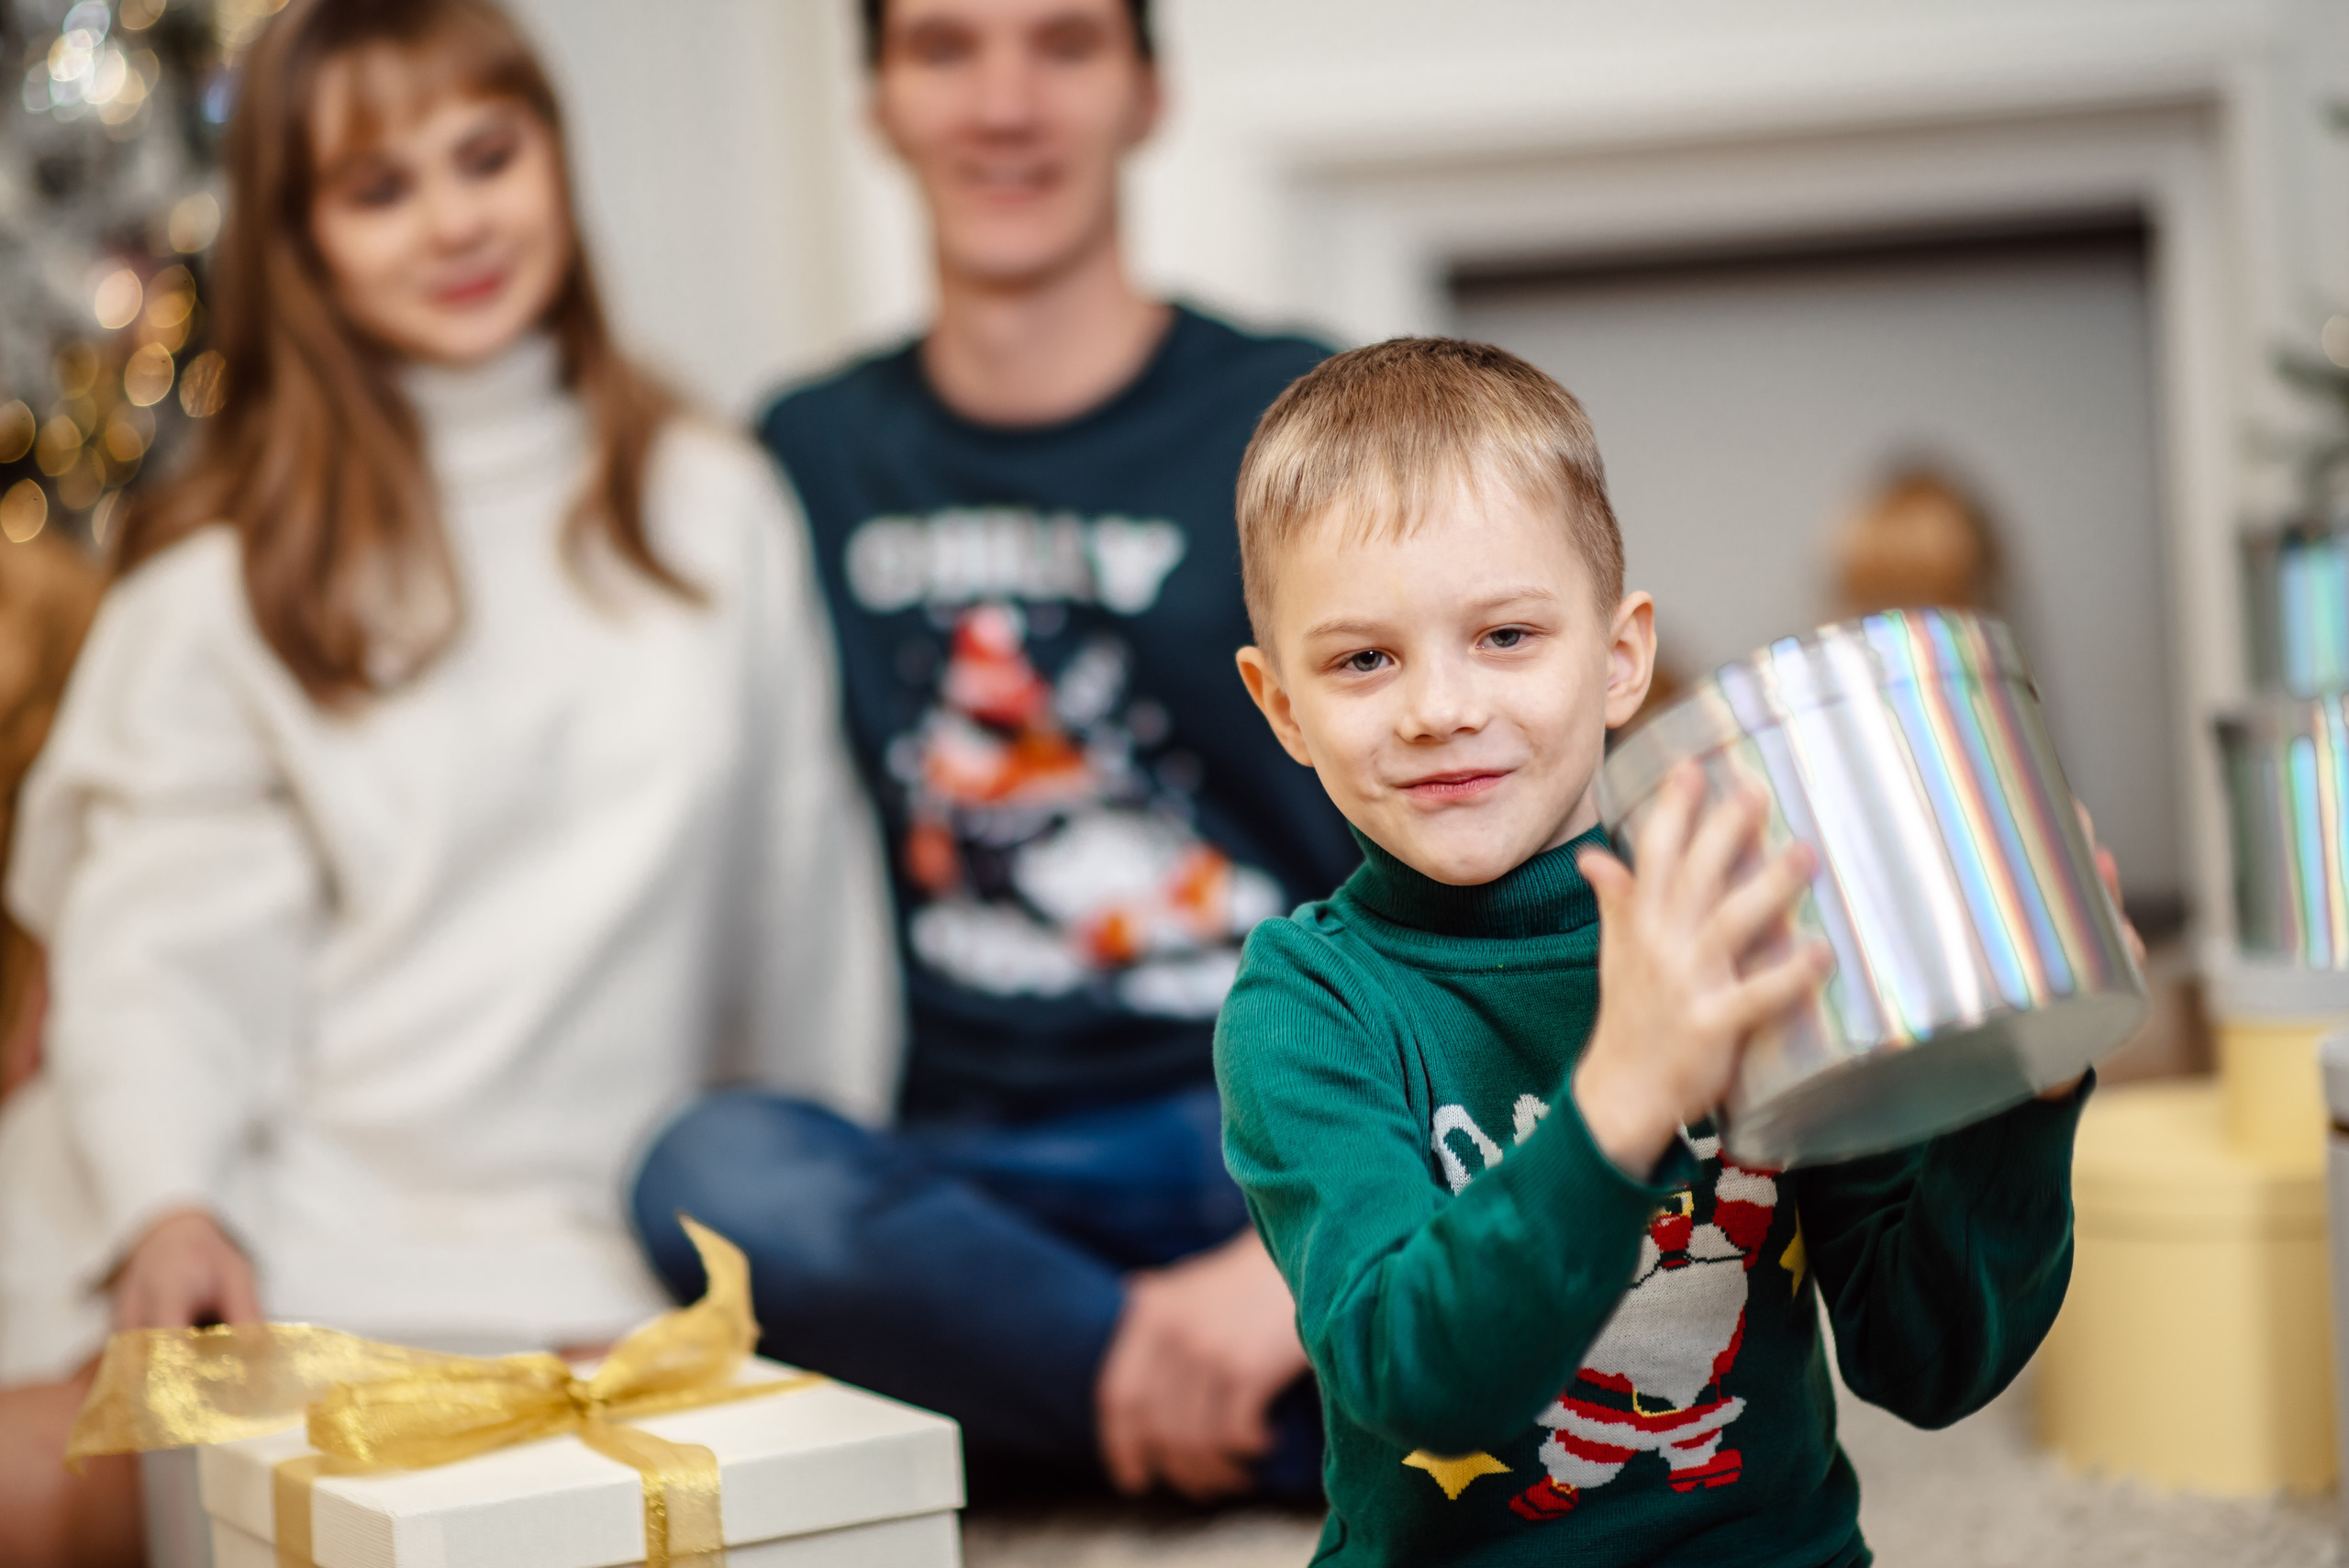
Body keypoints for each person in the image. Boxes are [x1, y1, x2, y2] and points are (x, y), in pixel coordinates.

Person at [0, 2, 894, 1561]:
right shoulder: (223, 580)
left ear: (555, 159)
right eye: (378, 188)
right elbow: (166, 944)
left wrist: (816, 1243)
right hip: (290, 1242)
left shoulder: (714, 508)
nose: (454, 221)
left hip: (615, 1249)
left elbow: (800, 894)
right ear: (302, 240)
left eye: (486, 155)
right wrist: (171, 1203)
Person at [1215, 338, 2112, 1564]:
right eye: (1365, 659)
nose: (1439, 706)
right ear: (1282, 708)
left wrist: (2025, 1085)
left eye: (1508, 635)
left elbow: (1929, 1360)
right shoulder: (1307, 1005)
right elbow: (1412, 1374)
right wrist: (1624, 1097)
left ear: (1621, 657)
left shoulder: (1744, 921)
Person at [631, 0, 1353, 1505]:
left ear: (1148, 92)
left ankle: (1048, 1407)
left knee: (1506, 1193)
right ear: (878, 103)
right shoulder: (803, 456)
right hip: (966, 1174)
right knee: (712, 1174)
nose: (1005, 104)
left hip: (1276, 1130)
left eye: (1066, 44)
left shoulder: (1297, 414)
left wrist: (1284, 1262)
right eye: (946, 48)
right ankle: (1193, 1403)